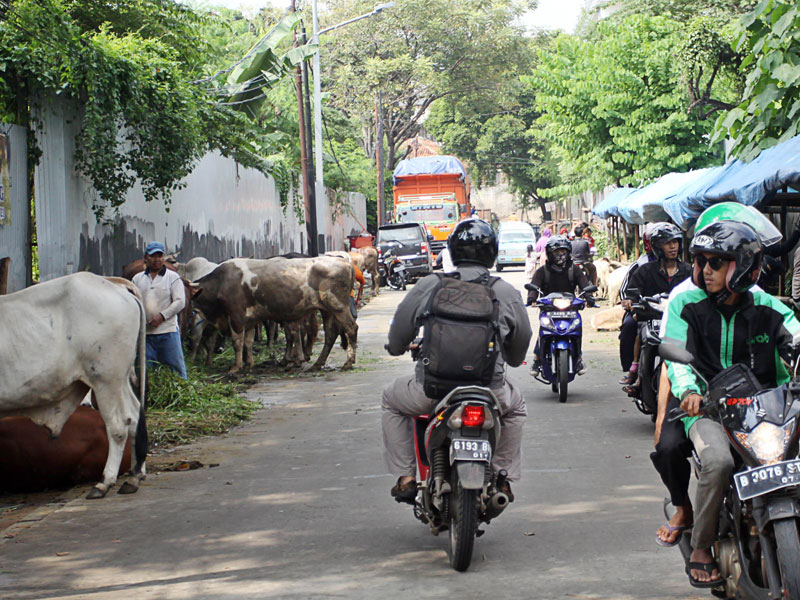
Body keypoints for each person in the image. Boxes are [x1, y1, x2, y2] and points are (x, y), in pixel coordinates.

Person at [663, 220, 800, 586]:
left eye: (716, 262)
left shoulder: (767, 306)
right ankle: (702, 546)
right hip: (708, 408)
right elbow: (676, 357)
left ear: (742, 267)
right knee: (719, 461)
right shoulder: (685, 303)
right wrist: (689, 392)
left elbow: (795, 336)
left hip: (769, 408)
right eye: (701, 261)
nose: (704, 270)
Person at [382, 219, 532, 503]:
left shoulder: (431, 284)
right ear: (493, 253)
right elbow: (521, 341)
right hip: (489, 392)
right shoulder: (505, 291)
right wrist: (511, 359)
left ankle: (406, 476)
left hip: (431, 391)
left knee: (391, 399)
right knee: (516, 407)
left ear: (452, 249)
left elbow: (400, 329)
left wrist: (397, 347)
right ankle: (502, 477)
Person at [620, 223, 690, 393]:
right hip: (650, 316)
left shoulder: (688, 270)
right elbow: (631, 290)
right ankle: (636, 373)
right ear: (658, 246)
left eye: (675, 242)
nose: (673, 247)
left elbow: (698, 290)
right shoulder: (645, 270)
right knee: (634, 328)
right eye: (668, 243)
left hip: (679, 319)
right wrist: (630, 300)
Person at [528, 235, 593, 375]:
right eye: (556, 253)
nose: (560, 256)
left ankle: (579, 359)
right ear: (549, 254)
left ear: (568, 253)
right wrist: (532, 298)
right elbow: (534, 286)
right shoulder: (542, 271)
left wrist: (589, 297)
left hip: (570, 309)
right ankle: (536, 359)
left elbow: (584, 284)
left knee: (576, 331)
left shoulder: (574, 270)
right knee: (543, 331)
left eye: (563, 252)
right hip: (548, 308)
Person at [132, 241, 188, 379]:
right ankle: (148, 398)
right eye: (153, 256)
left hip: (168, 333)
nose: (157, 259)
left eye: (160, 255)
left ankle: (182, 397)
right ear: (146, 258)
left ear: (164, 257)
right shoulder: (137, 279)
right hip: (146, 334)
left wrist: (162, 316)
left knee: (176, 371)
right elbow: (133, 303)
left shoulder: (172, 277)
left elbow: (180, 302)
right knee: (146, 372)